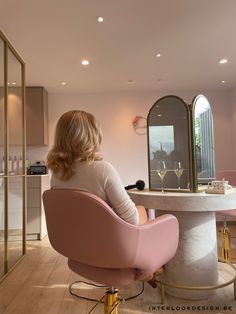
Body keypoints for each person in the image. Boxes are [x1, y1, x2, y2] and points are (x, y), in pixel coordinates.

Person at [47, 110, 162, 287]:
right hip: (111, 251)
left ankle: (149, 267)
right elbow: (131, 219)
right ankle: (149, 268)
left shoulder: (56, 176)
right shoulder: (102, 170)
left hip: (78, 251)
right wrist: (139, 209)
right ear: (93, 135)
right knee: (141, 211)